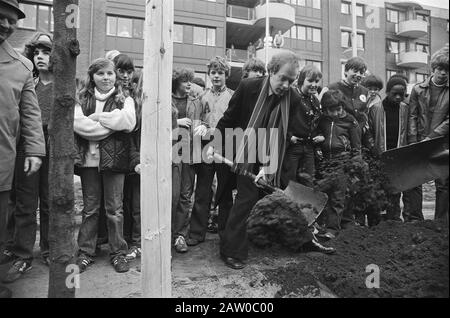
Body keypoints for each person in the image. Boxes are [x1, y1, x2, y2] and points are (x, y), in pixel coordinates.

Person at [209, 52, 335, 270]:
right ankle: (231, 250)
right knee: (241, 199)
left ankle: (267, 239)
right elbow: (229, 118)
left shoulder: (293, 98)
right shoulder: (249, 87)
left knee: (257, 198)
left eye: (291, 80)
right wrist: (214, 143)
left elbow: (282, 135)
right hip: (238, 147)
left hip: (268, 150)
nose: (286, 85)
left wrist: (268, 167)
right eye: (283, 78)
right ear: (271, 72)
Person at [0, 0, 45, 298]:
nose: (5, 25)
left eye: (11, 20)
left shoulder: (21, 65)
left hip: (2, 164)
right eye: (0, 17)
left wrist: (34, 151)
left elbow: (30, 114)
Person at [74, 58, 136, 273]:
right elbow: (79, 126)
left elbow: (128, 122)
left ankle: (118, 253)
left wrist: (98, 117)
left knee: (114, 210)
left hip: (115, 161)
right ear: (92, 76)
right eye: (100, 74)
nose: (106, 78)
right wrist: (112, 123)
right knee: (90, 208)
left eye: (110, 73)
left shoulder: (125, 98)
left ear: (115, 76)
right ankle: (85, 252)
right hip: (89, 162)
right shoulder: (81, 98)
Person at [186, 57, 235, 247]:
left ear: (226, 75)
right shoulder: (201, 97)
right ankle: (197, 232)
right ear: (209, 75)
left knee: (224, 191)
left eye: (220, 73)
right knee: (203, 190)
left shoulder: (233, 96)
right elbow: (196, 121)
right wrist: (199, 129)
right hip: (205, 148)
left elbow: (236, 123)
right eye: (213, 73)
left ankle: (225, 232)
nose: (216, 76)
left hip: (225, 147)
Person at [369, 76, 424, 222]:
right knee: (381, 190)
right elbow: (369, 131)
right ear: (387, 91)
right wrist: (372, 147)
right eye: (395, 93)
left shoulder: (406, 109)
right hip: (381, 155)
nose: (399, 97)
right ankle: (379, 222)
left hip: (400, 156)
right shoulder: (375, 109)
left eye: (402, 94)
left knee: (397, 189)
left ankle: (394, 220)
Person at [408, 46, 449, 221]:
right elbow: (412, 116)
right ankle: (416, 219)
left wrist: (431, 137)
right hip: (419, 141)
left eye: (447, 70)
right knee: (415, 181)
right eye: (440, 69)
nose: (444, 73)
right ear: (433, 69)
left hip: (441, 142)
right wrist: (413, 140)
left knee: (443, 183)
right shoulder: (418, 89)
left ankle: (440, 222)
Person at [316, 90, 361, 234]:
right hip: (324, 162)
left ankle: (332, 229)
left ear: (342, 106)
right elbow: (315, 133)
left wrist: (354, 168)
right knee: (322, 195)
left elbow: (356, 147)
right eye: (331, 111)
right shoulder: (322, 120)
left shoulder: (350, 121)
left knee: (337, 197)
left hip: (342, 162)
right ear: (325, 109)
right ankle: (321, 226)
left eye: (338, 109)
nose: (335, 113)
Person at [171, 67, 206, 253]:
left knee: (185, 196)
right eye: (185, 81)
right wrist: (177, 122)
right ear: (176, 81)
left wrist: (203, 127)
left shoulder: (195, 101)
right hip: (171, 152)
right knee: (172, 194)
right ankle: (167, 233)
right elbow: (156, 123)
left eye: (190, 81)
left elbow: (202, 121)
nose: (189, 84)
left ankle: (180, 236)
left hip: (189, 153)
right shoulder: (166, 99)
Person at [281, 64, 323, 188]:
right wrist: (289, 137)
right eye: (310, 81)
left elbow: (315, 122)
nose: (314, 84)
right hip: (293, 147)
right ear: (301, 80)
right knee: (289, 182)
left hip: (309, 147)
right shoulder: (291, 95)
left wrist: (319, 135)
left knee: (309, 182)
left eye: (316, 81)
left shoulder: (314, 100)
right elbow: (282, 118)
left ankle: (305, 207)